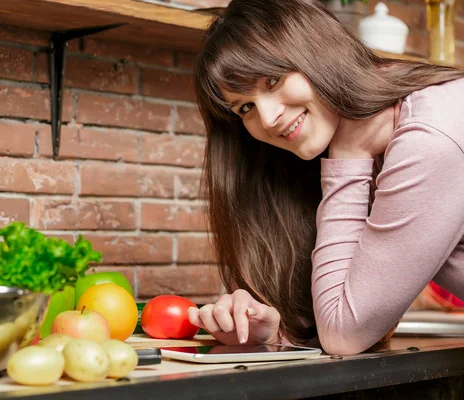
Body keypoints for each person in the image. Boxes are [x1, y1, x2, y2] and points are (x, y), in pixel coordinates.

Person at [186, 0, 464, 355]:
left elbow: (345, 335)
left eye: (273, 80)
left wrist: (347, 160)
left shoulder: (429, 137)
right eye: (245, 107)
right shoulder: (376, 145)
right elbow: (359, 318)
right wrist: (274, 330)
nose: (267, 118)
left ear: (318, 52)